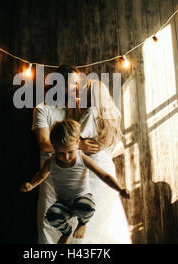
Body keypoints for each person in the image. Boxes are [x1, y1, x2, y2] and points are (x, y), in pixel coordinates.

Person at [20, 119, 130, 244]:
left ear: (78, 144)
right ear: (54, 147)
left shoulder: (81, 158)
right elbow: (41, 175)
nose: (66, 157)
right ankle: (66, 232)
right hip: (64, 203)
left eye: (70, 152)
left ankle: (82, 223)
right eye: (61, 153)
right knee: (51, 216)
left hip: (81, 198)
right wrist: (31, 184)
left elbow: (104, 175)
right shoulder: (51, 161)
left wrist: (120, 189)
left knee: (88, 207)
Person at [32, 64, 101, 244]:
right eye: (71, 84)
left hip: (77, 168)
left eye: (77, 84)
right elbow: (44, 143)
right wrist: (79, 147)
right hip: (51, 167)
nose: (76, 88)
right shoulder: (42, 108)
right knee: (49, 214)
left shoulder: (78, 106)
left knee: (81, 211)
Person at [69, 79, 132, 244]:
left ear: (90, 95)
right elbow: (118, 146)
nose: (79, 94)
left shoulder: (91, 112)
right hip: (106, 165)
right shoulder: (111, 115)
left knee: (84, 217)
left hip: (92, 169)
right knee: (104, 216)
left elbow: (72, 142)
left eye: (83, 91)